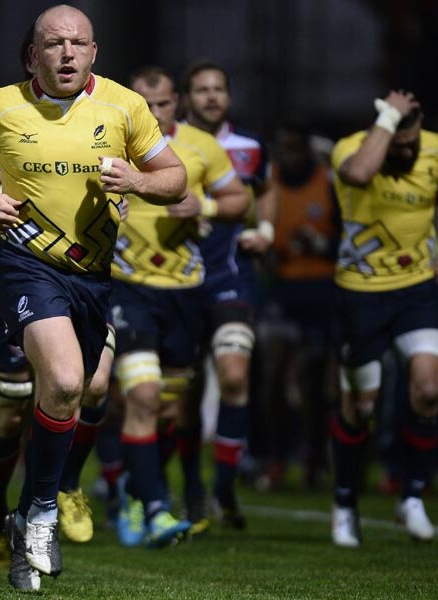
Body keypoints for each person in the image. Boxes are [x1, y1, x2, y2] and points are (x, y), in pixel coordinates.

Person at [0, 5, 187, 591]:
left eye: (78, 43)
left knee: (87, 389)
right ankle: (31, 513)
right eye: (54, 44)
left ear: (94, 52)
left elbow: (174, 178)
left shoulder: (125, 107)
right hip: (26, 268)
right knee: (59, 386)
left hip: (92, 277)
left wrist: (139, 181)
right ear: (33, 55)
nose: (67, 53)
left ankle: (40, 503)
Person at [112, 66, 249, 548]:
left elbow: (240, 199)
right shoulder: (108, 140)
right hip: (128, 286)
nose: (153, 113)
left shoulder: (201, 147)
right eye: (144, 104)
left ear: (178, 103)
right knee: (142, 395)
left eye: (163, 103)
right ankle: (152, 507)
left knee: (168, 410)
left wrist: (204, 207)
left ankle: (136, 487)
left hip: (185, 290)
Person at [330, 90, 438, 546]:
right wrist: (387, 122)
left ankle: (413, 497)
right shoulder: (351, 150)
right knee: (361, 408)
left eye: (412, 143)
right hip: (360, 293)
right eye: (398, 144)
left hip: (416, 289)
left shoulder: (437, 148)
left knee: (428, 389)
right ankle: (345, 503)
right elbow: (360, 173)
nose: (407, 152)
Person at [181, 59, 277, 531]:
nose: (211, 96)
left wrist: (267, 229)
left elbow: (268, 187)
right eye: (202, 89)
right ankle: (191, 489)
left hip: (232, 277)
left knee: (235, 376)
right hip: (177, 280)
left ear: (229, 97)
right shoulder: (166, 144)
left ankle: (224, 487)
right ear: (187, 98)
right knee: (186, 390)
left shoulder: (249, 147)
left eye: (218, 88)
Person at [258, 123, 338, 489]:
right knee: (272, 374)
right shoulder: (269, 183)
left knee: (312, 380)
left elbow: (349, 240)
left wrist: (319, 244)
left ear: (307, 150)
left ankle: (313, 457)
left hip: (321, 292)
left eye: (296, 148)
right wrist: (266, 255)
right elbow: (255, 232)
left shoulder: (328, 183)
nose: (290, 156)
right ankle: (274, 457)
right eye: (284, 149)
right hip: (282, 291)